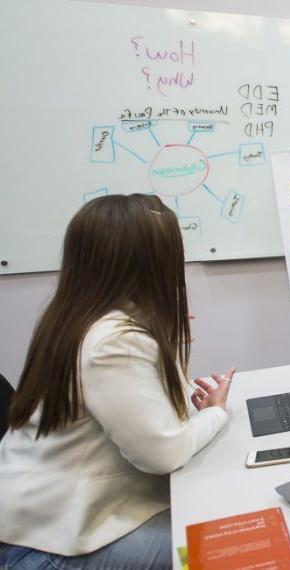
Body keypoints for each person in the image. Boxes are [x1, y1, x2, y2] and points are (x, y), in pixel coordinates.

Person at [0, 195, 236, 569]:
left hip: (39, 520)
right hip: (48, 546)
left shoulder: (77, 317)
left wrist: (165, 340)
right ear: (147, 262)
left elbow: (155, 413)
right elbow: (164, 454)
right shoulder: (114, 340)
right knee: (233, 548)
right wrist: (217, 414)